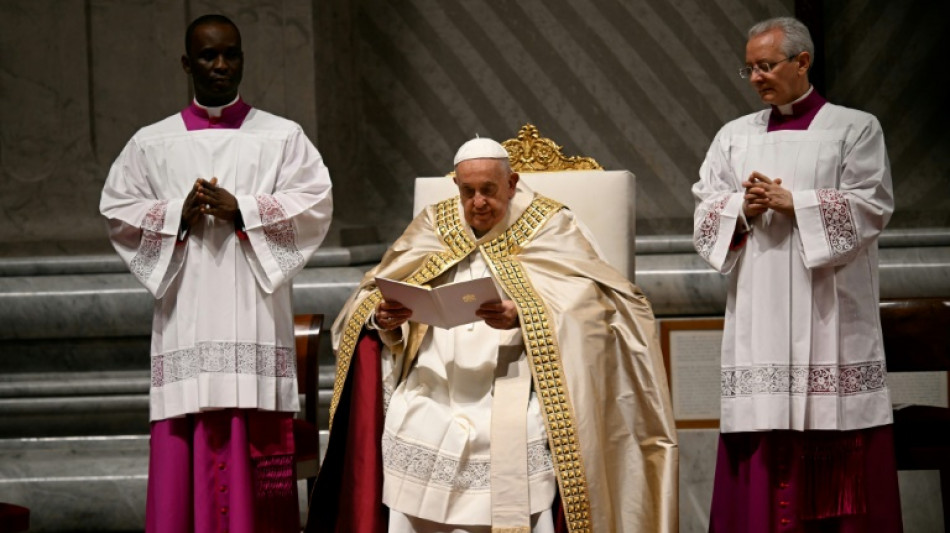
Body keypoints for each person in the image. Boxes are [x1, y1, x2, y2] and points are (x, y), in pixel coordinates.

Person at [307, 137, 677, 532]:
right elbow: (369, 295)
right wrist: (385, 319)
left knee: (517, 430)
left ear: (512, 182)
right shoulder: (435, 223)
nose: (479, 202)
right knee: (413, 416)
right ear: (457, 187)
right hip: (435, 374)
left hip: (515, 376)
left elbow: (598, 305)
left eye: (489, 190)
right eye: (468, 192)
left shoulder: (551, 225)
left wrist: (524, 316)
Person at [100, 14, 333, 533]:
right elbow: (118, 209)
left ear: (243, 58)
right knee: (188, 433)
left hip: (255, 318)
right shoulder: (151, 144)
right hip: (186, 318)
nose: (222, 65)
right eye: (208, 56)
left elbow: (315, 202)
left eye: (231, 54)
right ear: (187, 63)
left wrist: (244, 209)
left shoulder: (282, 137)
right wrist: (174, 216)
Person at [692, 16, 901, 533]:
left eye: (766, 65)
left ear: (802, 61)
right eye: (750, 69)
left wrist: (795, 202)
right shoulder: (733, 137)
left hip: (829, 312)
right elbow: (703, 214)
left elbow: (872, 205)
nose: (757, 77)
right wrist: (742, 206)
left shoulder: (854, 128)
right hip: (759, 316)